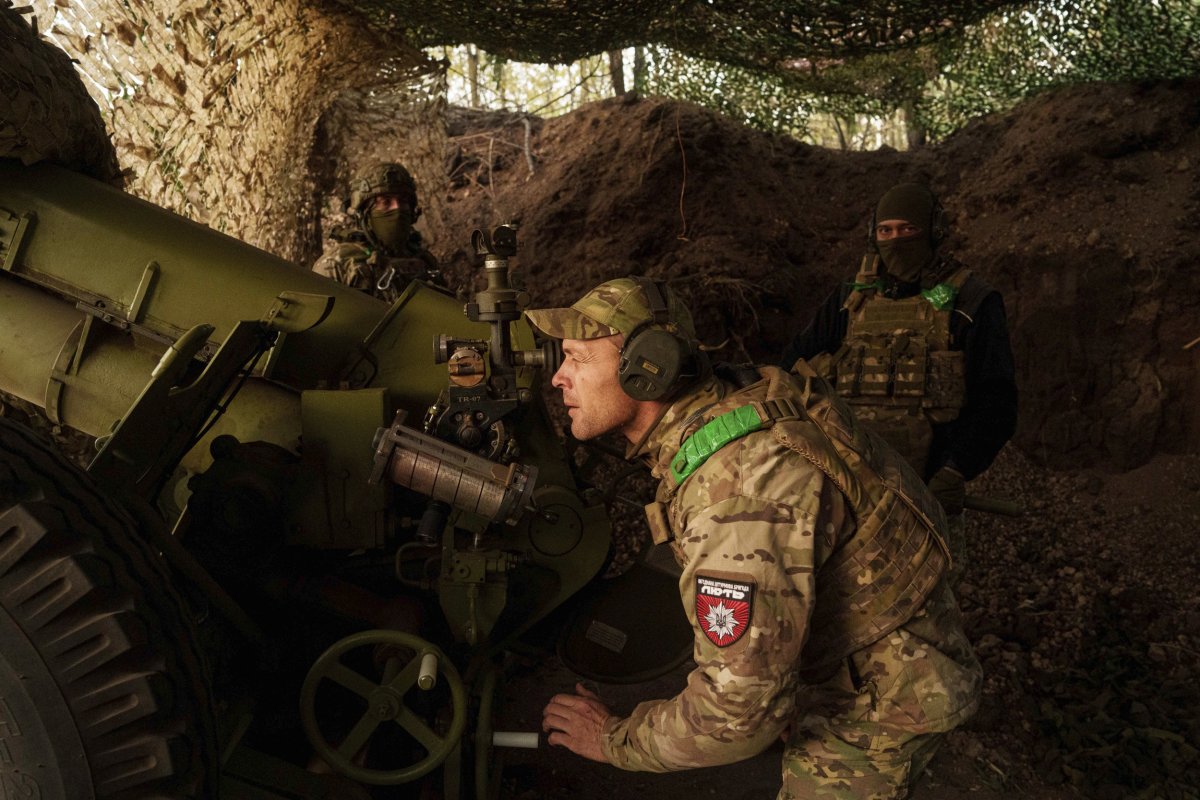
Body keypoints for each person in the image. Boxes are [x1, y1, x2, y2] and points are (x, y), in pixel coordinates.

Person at [531, 277, 981, 799]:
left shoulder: (738, 495)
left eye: (577, 359)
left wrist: (612, 739)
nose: (559, 378)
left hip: (882, 702)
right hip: (869, 661)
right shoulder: (735, 402)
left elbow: (737, 714)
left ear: (648, 367)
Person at [779, 183, 1017, 580]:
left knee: (927, 603)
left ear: (934, 231)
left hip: (926, 491)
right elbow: (791, 369)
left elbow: (998, 401)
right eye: (885, 230)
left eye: (907, 229)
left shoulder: (971, 302)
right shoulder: (849, 300)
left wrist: (956, 471)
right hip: (846, 489)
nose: (895, 240)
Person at [313, 162, 444, 301]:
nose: (397, 209)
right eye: (386, 202)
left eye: (403, 201)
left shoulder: (424, 261)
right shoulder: (336, 264)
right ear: (364, 213)